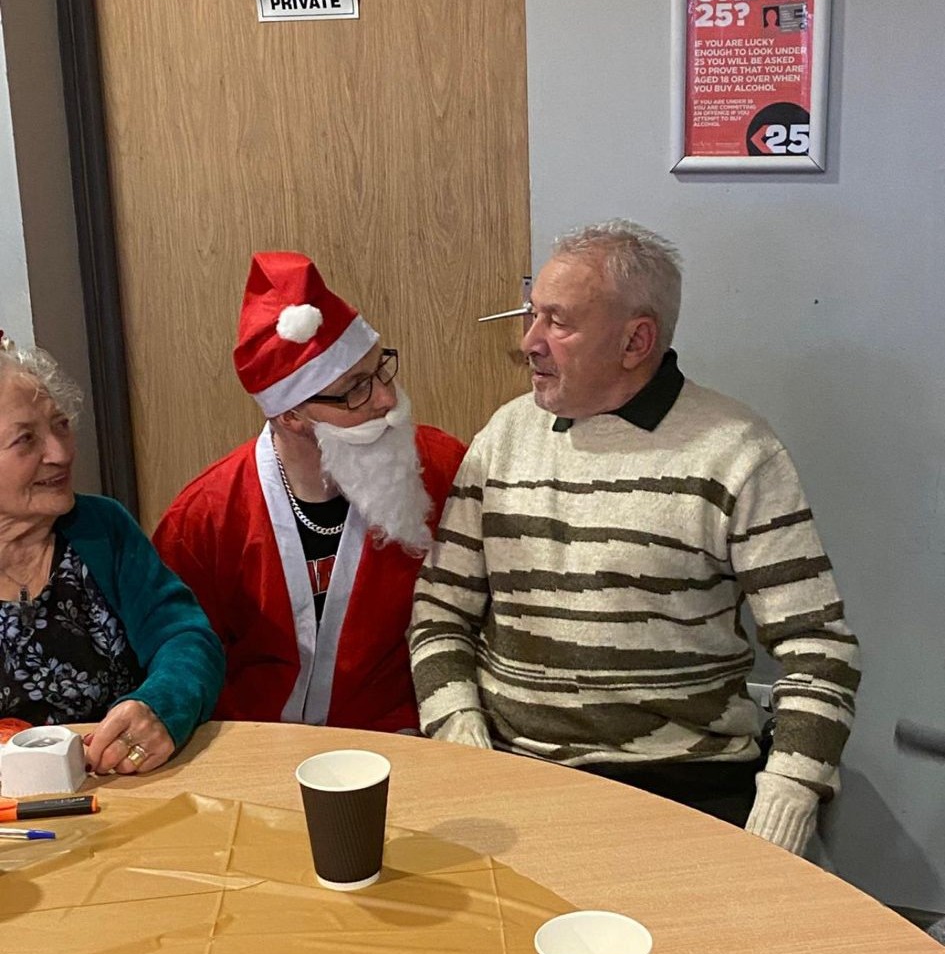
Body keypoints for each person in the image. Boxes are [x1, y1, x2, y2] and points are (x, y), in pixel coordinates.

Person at [410, 219, 860, 855]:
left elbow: (819, 650)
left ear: (635, 341)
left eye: (557, 323)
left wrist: (783, 807)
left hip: (683, 785)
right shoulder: (503, 436)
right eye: (532, 314)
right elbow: (439, 613)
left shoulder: (737, 454)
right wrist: (462, 739)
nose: (528, 342)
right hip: (514, 770)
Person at [154, 251, 465, 732]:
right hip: (254, 744)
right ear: (291, 415)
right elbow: (175, 651)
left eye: (381, 369)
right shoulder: (206, 517)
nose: (387, 399)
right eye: (356, 388)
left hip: (402, 741)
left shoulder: (442, 468)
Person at [0, 334, 224, 774]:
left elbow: (185, 638)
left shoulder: (101, 527)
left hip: (127, 785)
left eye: (60, 424)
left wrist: (160, 706)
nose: (60, 453)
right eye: (26, 439)